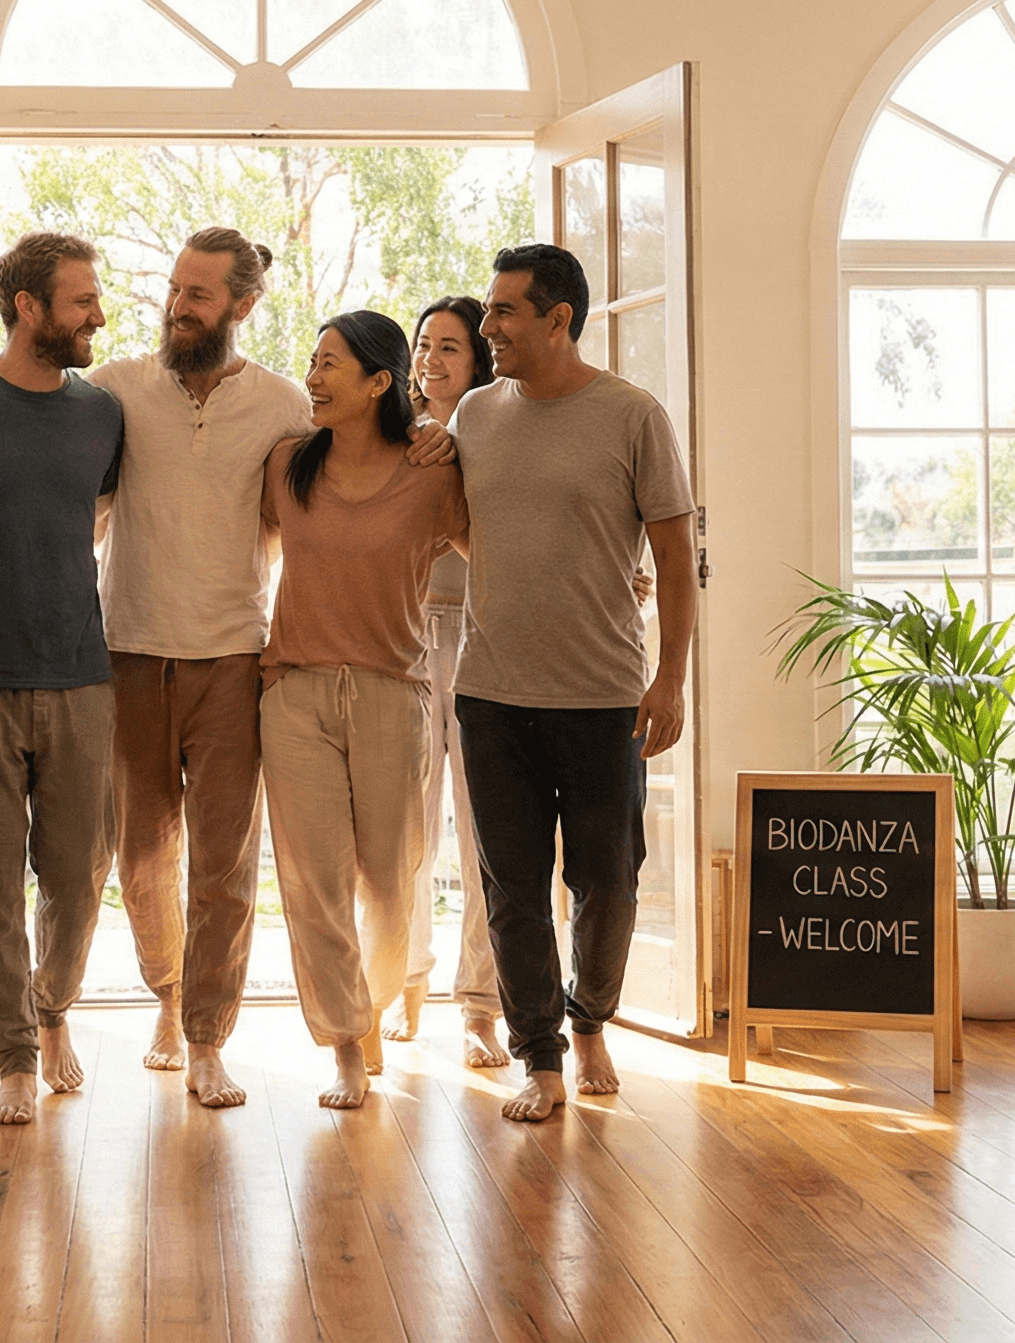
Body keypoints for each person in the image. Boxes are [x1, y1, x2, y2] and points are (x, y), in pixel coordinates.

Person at [0, 229, 312, 1110]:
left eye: (200, 295)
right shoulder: (113, 392)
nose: (177, 305)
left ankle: (207, 1038)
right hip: (124, 654)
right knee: (135, 863)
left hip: (232, 655)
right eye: (175, 288)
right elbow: (21, 429)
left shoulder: (284, 404)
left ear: (242, 306)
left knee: (223, 864)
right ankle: (165, 998)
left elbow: (336, 492)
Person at [453, 243, 696, 1123]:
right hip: (491, 694)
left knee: (610, 879)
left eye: (505, 312)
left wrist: (670, 679)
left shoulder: (633, 415)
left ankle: (591, 1016)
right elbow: (452, 520)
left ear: (559, 319)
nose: (488, 328)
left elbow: (674, 554)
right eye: (488, 311)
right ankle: (541, 1056)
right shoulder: (474, 416)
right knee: (511, 886)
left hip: (604, 697)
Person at [0, 231, 126, 1126]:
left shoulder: (102, 414)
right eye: (82, 300)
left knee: (79, 878)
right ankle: (11, 1054)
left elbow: (96, 509)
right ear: (28, 308)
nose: (98, 314)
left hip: (83, 672)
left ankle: (51, 1012)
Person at [257, 310, 469, 1109]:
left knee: (389, 882)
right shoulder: (286, 465)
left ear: (381, 382)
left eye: (331, 365)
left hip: (393, 694)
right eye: (312, 361)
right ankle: (346, 1041)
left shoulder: (433, 473)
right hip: (296, 693)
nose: (313, 377)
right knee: (312, 881)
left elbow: (504, 552)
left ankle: (372, 1002)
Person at [386, 296, 506, 1070]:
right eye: (424, 345)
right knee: (406, 827)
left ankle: (481, 1006)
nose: (431, 359)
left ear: (478, 361)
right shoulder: (394, 435)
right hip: (403, 634)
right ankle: (405, 984)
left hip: (489, 636)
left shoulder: (501, 430)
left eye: (450, 348)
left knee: (485, 828)